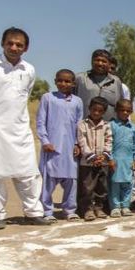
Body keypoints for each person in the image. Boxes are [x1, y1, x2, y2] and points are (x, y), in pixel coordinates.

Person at [0, 28, 49, 230]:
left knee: (27, 172)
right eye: (10, 43)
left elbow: (23, 97)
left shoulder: (29, 70)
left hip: (19, 128)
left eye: (19, 44)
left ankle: (33, 212)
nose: (14, 47)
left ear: (26, 48)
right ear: (2, 43)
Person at [36, 69, 83, 220]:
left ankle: (69, 210)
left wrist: (77, 144)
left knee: (71, 179)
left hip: (70, 147)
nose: (63, 84)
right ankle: (47, 211)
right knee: (49, 180)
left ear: (73, 83)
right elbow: (41, 121)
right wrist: (45, 141)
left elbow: (79, 124)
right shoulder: (48, 98)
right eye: (60, 80)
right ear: (55, 81)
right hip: (52, 146)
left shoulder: (77, 101)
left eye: (67, 81)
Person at [76, 97, 112, 221]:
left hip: (103, 162)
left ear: (104, 112)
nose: (96, 113)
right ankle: (87, 209)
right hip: (87, 163)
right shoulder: (82, 125)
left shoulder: (106, 126)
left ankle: (99, 208)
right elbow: (82, 142)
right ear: (89, 109)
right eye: (94, 110)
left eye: (100, 111)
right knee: (87, 188)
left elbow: (109, 140)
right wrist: (92, 157)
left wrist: (104, 155)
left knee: (102, 187)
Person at [108, 98, 135, 217]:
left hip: (129, 161)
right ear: (116, 110)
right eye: (122, 110)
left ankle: (125, 206)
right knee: (115, 183)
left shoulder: (133, 127)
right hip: (115, 160)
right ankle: (115, 207)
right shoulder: (112, 125)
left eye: (128, 111)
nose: (125, 113)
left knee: (128, 183)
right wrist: (110, 158)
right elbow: (108, 143)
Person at [75, 49, 124, 121]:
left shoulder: (116, 81)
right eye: (97, 60)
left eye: (104, 61)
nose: (100, 63)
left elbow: (120, 106)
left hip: (108, 128)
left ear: (109, 64)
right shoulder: (80, 79)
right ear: (92, 61)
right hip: (84, 127)